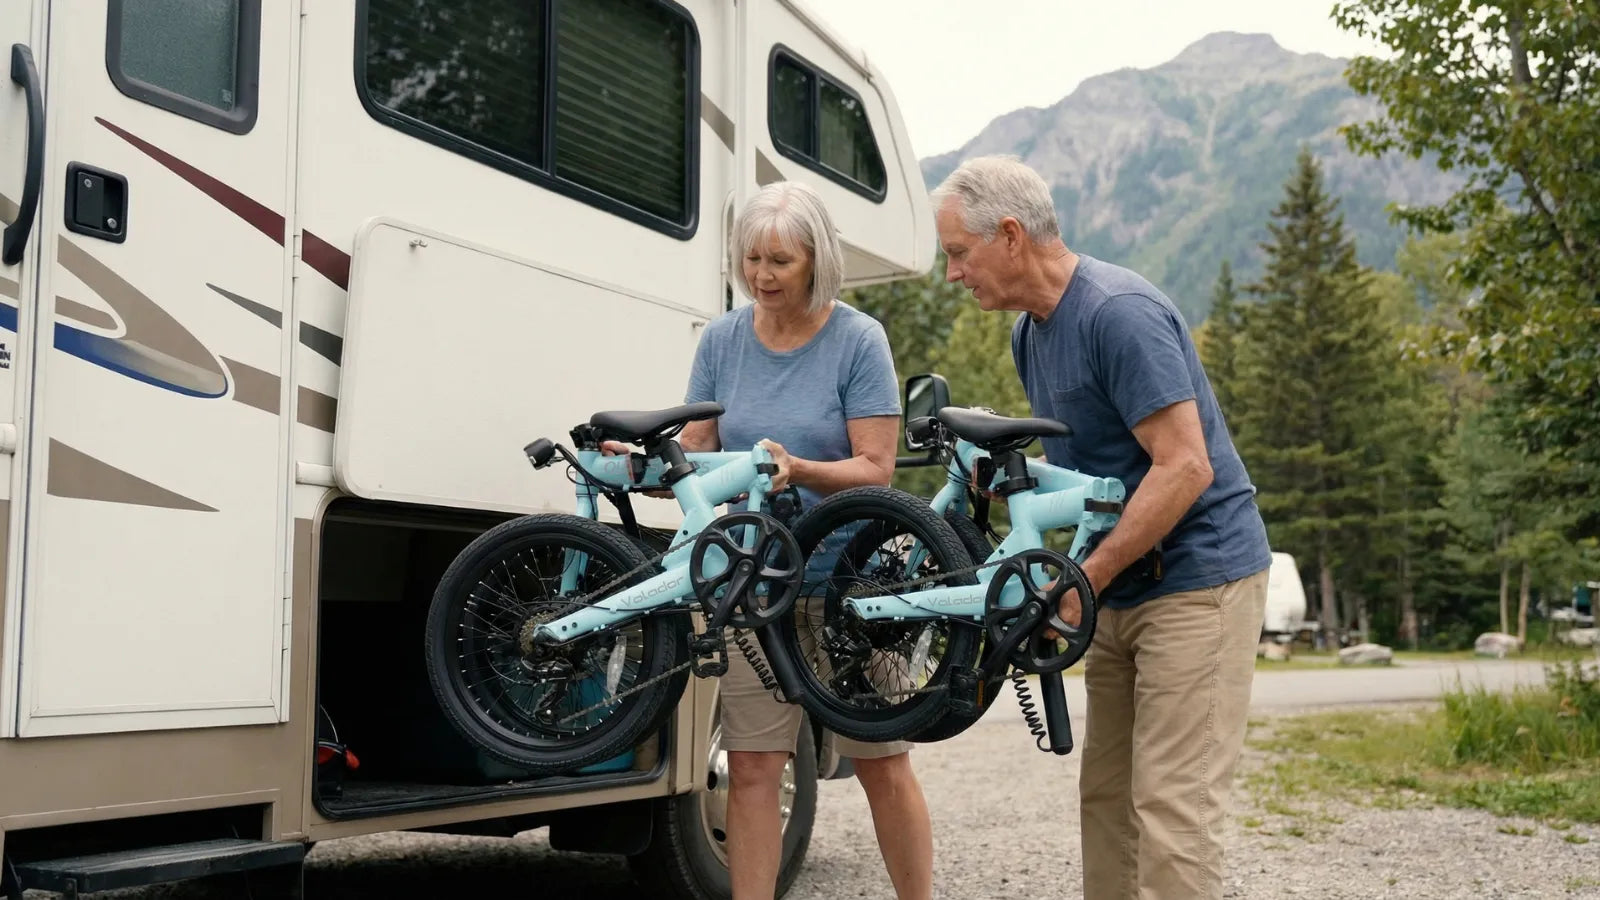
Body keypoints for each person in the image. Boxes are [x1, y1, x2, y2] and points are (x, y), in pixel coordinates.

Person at [929, 155, 1271, 900]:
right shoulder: (1031, 334)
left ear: (1010, 235)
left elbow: (1184, 468)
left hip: (1199, 582)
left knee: (1173, 809)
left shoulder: (1119, 313)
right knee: (1108, 801)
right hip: (1116, 587)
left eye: (959, 253)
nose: (953, 273)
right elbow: (1089, 481)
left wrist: (1085, 580)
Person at [610, 180, 934, 900]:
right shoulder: (724, 339)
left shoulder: (857, 339)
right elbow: (694, 454)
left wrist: (799, 466)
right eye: (751, 258)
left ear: (817, 259)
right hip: (753, 587)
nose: (762, 275)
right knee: (754, 766)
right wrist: (635, 465)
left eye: (779, 260)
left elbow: (876, 469)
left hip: (845, 585)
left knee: (882, 761)